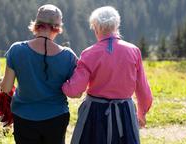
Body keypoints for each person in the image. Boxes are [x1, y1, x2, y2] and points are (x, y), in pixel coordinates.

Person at [62, 6, 153, 144]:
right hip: (125, 113)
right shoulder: (133, 51)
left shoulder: (89, 53)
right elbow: (143, 89)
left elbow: (75, 90)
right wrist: (141, 113)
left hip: (94, 113)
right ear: (116, 26)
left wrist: (61, 84)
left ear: (96, 27)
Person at [0, 4, 77, 144]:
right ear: (57, 28)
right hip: (56, 116)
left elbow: (6, 88)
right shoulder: (68, 56)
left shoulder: (16, 50)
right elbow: (76, 92)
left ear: (36, 25)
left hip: (24, 116)